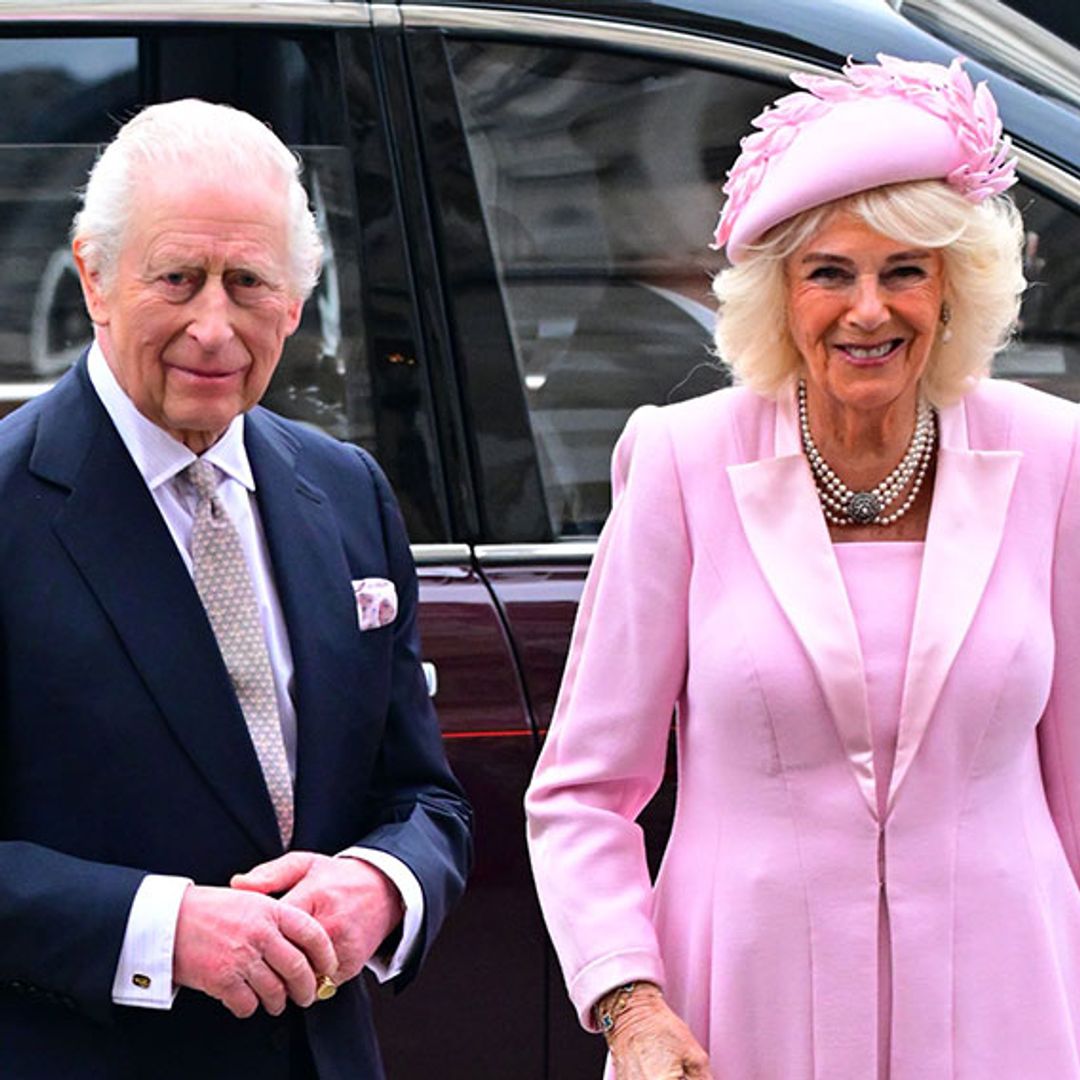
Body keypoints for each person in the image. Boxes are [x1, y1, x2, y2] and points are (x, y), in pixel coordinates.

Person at [525, 53, 1080, 1080]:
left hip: (1008, 1013)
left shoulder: (1054, 458)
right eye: (831, 272)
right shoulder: (684, 460)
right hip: (738, 1017)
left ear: (953, 289)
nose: (868, 310)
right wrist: (631, 1003)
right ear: (780, 295)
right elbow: (583, 793)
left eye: (904, 270)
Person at [0, 99, 471, 1079]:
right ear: (94, 277)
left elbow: (423, 796)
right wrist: (159, 930)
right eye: (177, 278)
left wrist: (380, 888)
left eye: (248, 283)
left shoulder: (346, 493)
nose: (213, 326)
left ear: (296, 305)